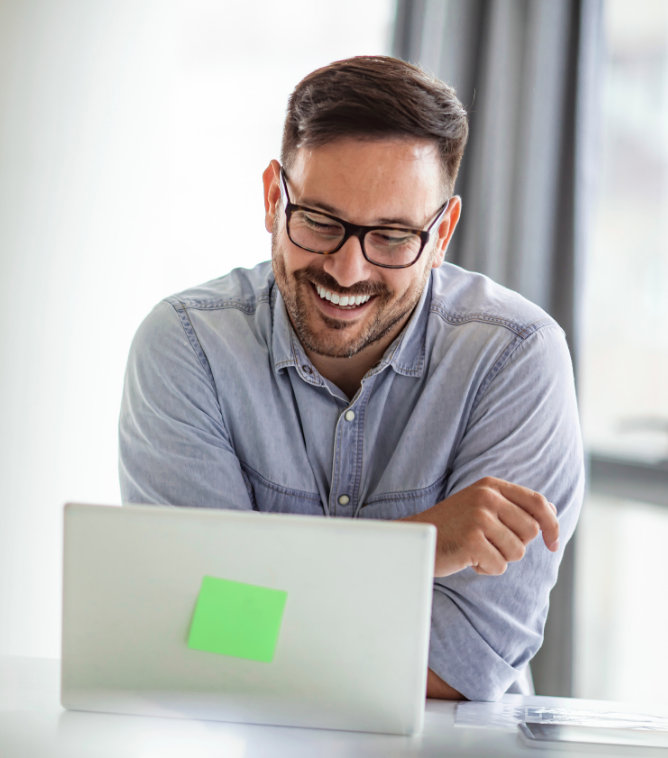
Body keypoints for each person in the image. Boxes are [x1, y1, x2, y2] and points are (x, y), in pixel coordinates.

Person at [118, 56, 584, 702]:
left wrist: (256, 610)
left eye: (392, 236)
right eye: (320, 222)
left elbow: (462, 664)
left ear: (442, 232)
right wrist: (421, 545)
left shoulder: (516, 359)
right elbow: (192, 627)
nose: (346, 269)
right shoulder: (188, 348)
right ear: (273, 199)